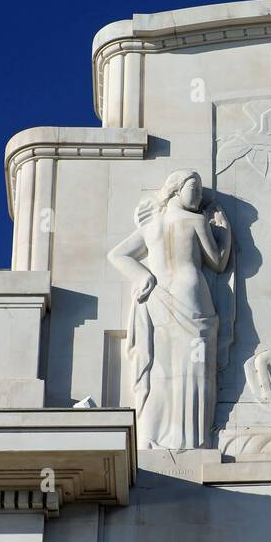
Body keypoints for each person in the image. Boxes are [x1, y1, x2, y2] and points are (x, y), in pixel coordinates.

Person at [107, 170, 231, 449]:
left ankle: (157, 435)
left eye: (199, 189)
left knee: (162, 368)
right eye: (193, 188)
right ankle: (191, 438)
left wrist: (142, 275)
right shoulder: (196, 221)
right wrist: (225, 231)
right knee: (192, 367)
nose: (198, 195)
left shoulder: (152, 226)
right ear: (176, 190)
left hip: (160, 297)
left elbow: (118, 255)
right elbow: (219, 261)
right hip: (191, 296)